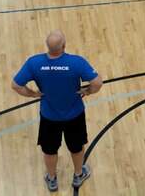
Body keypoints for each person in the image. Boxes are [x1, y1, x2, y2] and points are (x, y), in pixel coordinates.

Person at [12, 30, 103, 192]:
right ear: (64, 46)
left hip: (49, 116)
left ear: (47, 46)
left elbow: (16, 85)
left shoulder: (34, 63)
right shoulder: (77, 63)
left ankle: (52, 179)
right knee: (76, 147)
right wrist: (87, 91)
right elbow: (97, 83)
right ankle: (78, 175)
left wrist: (34, 94)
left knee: (49, 149)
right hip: (74, 115)